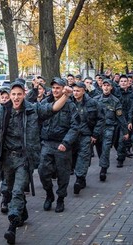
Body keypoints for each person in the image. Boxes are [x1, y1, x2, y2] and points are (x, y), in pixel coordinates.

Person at [0, 80, 70, 244]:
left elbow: (53, 108)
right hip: (6, 159)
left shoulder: (33, 110)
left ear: (24, 95)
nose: (16, 97)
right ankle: (22, 213)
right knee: (7, 191)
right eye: (13, 94)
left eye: (19, 94)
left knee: (17, 191)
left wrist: (65, 95)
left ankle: (12, 226)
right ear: (10, 95)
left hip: (24, 158)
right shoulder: (0, 110)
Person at [38, 78, 80, 212]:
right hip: (46, 143)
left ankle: (61, 198)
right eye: (54, 88)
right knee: (43, 172)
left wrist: (66, 143)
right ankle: (49, 195)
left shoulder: (70, 106)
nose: (55, 90)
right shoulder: (45, 103)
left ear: (64, 89)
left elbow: (75, 127)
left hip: (62, 145)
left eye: (58, 88)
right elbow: (37, 122)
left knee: (63, 174)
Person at [71, 82, 104, 194]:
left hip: (86, 135)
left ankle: (79, 179)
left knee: (83, 156)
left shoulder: (93, 103)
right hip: (72, 136)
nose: (75, 93)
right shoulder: (69, 103)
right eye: (74, 90)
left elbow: (100, 119)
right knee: (73, 158)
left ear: (84, 91)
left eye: (78, 90)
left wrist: (95, 134)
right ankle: (81, 177)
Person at [94, 79, 128, 181]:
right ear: (101, 87)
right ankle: (103, 163)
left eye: (108, 85)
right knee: (99, 149)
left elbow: (120, 117)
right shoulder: (95, 100)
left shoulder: (115, 101)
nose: (106, 87)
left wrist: (125, 132)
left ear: (111, 87)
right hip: (97, 129)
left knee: (106, 148)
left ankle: (103, 170)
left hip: (109, 128)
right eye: (104, 85)